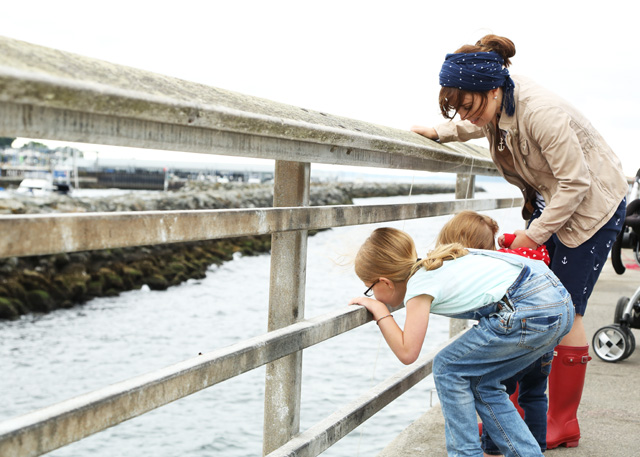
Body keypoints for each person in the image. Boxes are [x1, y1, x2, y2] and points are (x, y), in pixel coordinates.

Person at [411, 34, 628, 449]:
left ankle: (562, 421)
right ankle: (513, 415)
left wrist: (533, 233)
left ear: (494, 89)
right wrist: (441, 131)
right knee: (531, 301)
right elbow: (475, 120)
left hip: (591, 206)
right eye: (458, 108)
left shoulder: (539, 112)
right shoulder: (492, 98)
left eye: (470, 106)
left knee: (566, 308)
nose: (468, 116)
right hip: (552, 198)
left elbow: (577, 182)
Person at [349, 227, 574, 457]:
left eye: (370, 289)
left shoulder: (418, 286)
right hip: (559, 304)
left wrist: (379, 310)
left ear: (385, 282)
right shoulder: (439, 262)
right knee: (483, 383)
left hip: (527, 308)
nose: (373, 296)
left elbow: (407, 352)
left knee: (446, 367)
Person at [437, 210, 551, 455]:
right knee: (535, 396)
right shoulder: (510, 260)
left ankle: (489, 449)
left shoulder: (475, 268)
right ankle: (536, 446)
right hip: (547, 336)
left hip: (517, 334)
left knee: (487, 382)